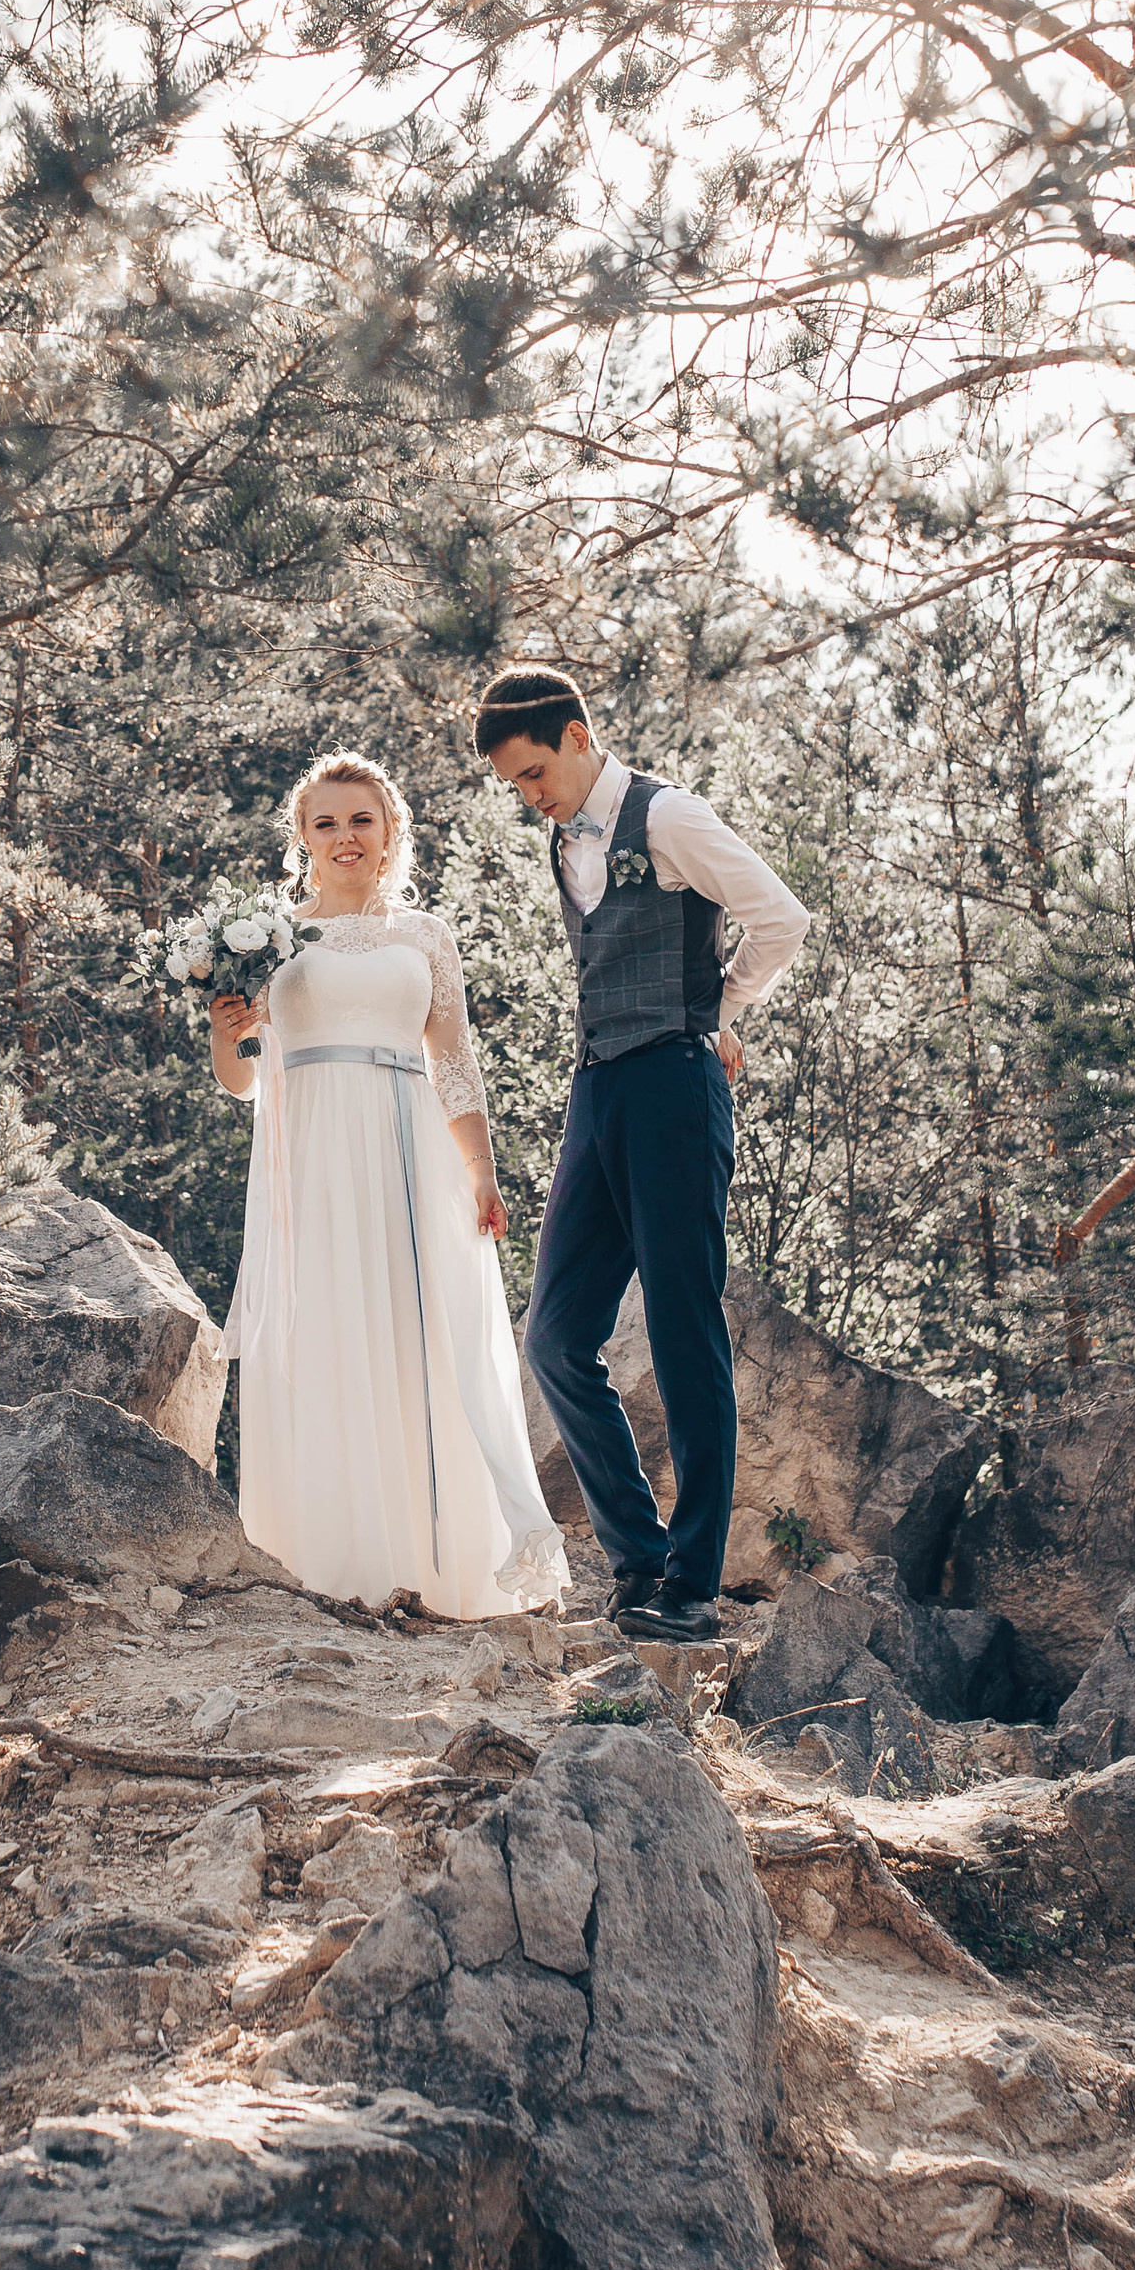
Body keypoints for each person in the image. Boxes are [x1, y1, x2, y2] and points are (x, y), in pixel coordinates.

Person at [475, 665, 811, 1643]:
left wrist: (719, 1013)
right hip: (598, 1088)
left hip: (672, 1083)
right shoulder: (559, 841)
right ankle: (637, 1558)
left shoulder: (667, 818)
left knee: (679, 1328)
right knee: (554, 1336)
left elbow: (781, 918)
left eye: (536, 771)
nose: (531, 795)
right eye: (516, 785)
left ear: (578, 737)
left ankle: (693, 1589)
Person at [210, 748, 569, 1618]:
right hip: (314, 1156)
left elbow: (454, 1065)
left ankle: (441, 1564)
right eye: (325, 822)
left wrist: (480, 1170)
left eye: (360, 820)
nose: (344, 836)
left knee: (424, 1340)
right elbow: (242, 1079)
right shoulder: (267, 938)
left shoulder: (426, 937)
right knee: (331, 1331)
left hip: (415, 1153)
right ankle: (328, 1560)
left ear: (389, 831)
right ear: (301, 836)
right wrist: (227, 1032)